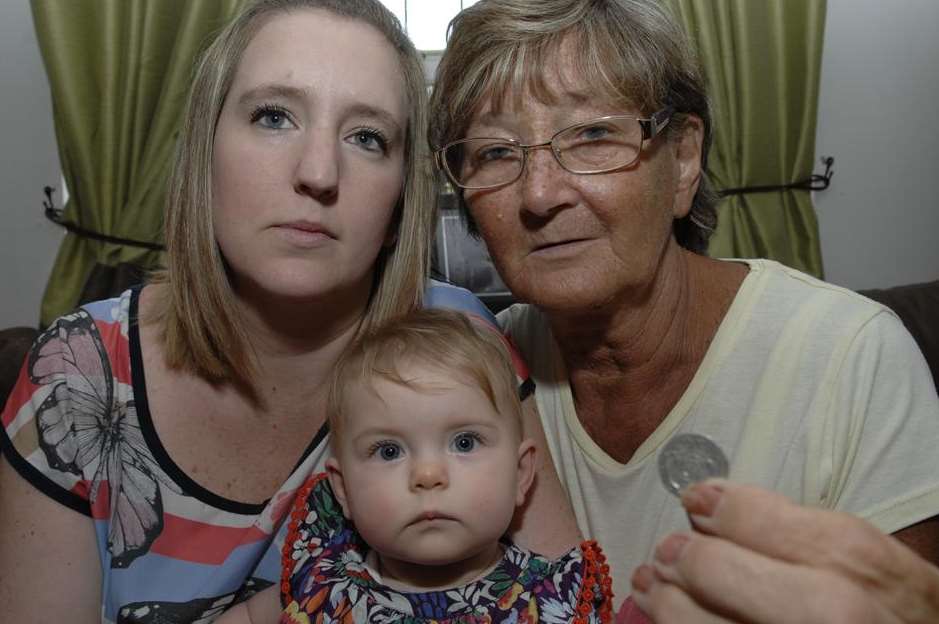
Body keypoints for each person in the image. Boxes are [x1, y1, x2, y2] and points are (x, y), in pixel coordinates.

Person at [0, 1, 542, 622]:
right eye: (273, 116)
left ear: (400, 202)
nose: (318, 173)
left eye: (367, 137)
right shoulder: (75, 378)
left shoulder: (459, 342)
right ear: (203, 154)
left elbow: (558, 595)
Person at [428, 0, 939, 621]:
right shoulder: (477, 375)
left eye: (592, 134)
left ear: (683, 159)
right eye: (497, 153)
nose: (539, 193)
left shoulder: (849, 356)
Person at [217, 308, 614, 623]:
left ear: (521, 474)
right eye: (389, 451)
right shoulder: (323, 579)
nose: (427, 475)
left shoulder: (549, 600)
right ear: (343, 490)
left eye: (464, 442)